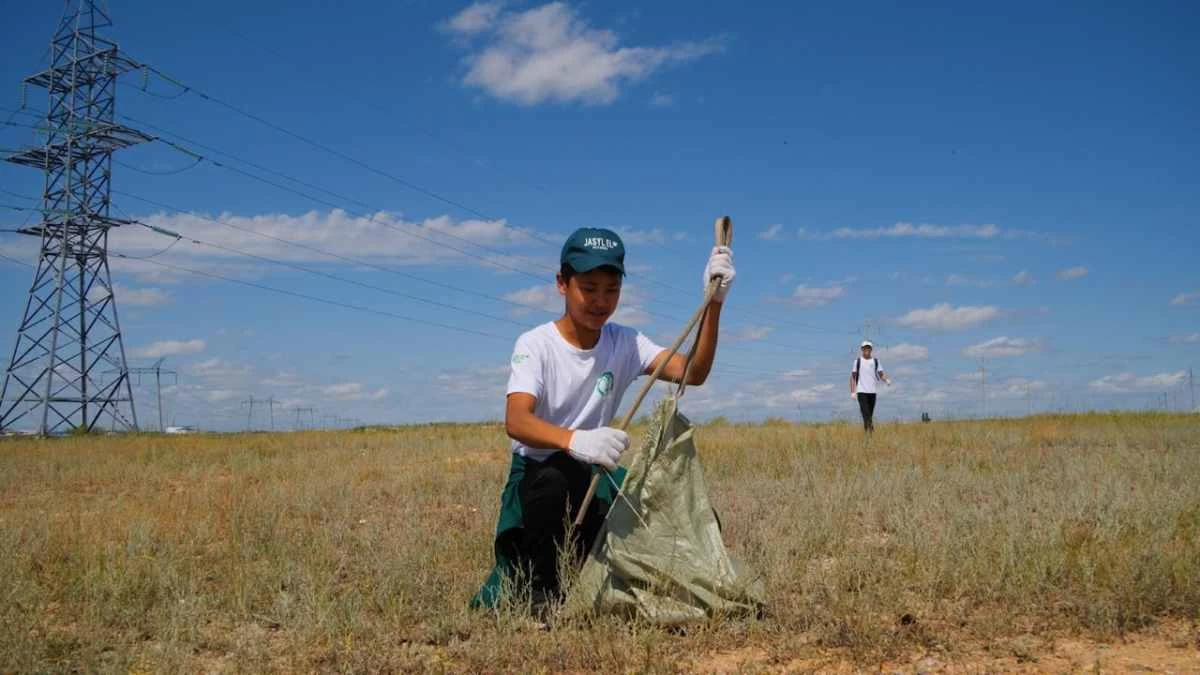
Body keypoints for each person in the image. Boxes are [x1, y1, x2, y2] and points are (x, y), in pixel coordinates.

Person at [472, 227, 735, 616]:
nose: (600, 301)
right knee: (556, 476)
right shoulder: (536, 344)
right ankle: (541, 595)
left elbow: (692, 372)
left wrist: (714, 302)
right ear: (562, 284)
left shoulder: (625, 342)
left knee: (676, 509)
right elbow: (517, 421)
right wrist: (575, 441)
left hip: (596, 476)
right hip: (539, 480)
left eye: (611, 290)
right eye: (589, 288)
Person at [849, 340, 890, 433]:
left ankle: (867, 436)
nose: (867, 349)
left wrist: (886, 380)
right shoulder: (857, 361)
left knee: (869, 416)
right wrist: (853, 391)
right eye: (865, 348)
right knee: (866, 414)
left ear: (871, 349)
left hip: (872, 392)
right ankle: (872, 433)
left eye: (868, 348)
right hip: (861, 392)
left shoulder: (875, 361)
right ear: (862, 349)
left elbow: (881, 374)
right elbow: (853, 377)